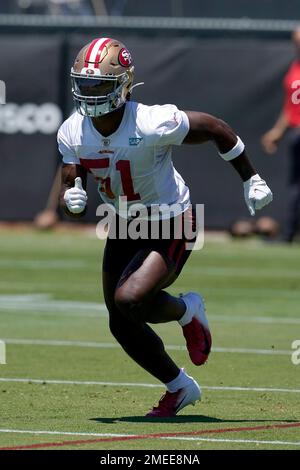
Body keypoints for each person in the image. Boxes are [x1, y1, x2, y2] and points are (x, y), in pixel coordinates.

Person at [58, 37, 273, 418]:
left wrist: (250, 179)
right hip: (123, 222)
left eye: (100, 86)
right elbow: (73, 179)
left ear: (123, 85)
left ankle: (188, 309)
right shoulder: (72, 131)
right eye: (85, 84)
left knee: (130, 300)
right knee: (119, 321)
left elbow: (216, 128)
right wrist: (72, 197)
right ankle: (179, 387)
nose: (90, 95)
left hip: (171, 219)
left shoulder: (152, 121)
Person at [262, 27, 300, 242]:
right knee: (296, 186)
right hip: (296, 131)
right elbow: (290, 105)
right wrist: (277, 130)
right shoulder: (295, 68)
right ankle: (290, 233)